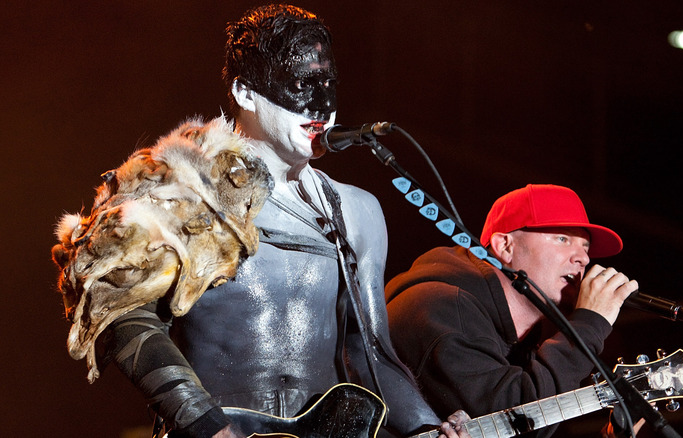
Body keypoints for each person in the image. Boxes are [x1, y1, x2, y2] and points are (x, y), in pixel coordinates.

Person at [93, 5, 468, 438]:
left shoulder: (356, 211)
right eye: (301, 83)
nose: (322, 105)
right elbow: (124, 315)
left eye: (329, 84)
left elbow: (373, 356)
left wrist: (426, 426)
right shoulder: (183, 193)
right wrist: (205, 424)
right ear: (246, 92)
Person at [385, 184, 640, 438]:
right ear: (505, 246)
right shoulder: (441, 306)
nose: (583, 259)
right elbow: (512, 422)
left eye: (585, 247)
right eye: (562, 239)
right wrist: (588, 325)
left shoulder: (523, 347)